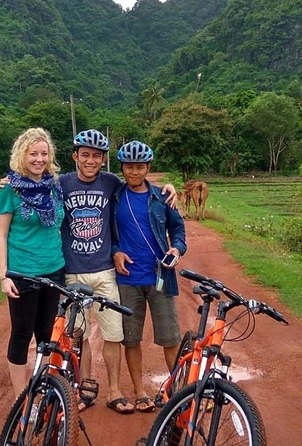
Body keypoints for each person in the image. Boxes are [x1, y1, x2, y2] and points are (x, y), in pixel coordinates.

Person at [0, 129, 177, 413]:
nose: (90, 161)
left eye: (96, 156)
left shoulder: (111, 183)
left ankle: (115, 391)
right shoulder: (60, 183)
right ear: (75, 156)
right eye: (85, 155)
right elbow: (28, 184)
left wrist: (169, 187)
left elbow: (138, 182)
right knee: (76, 336)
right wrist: (9, 181)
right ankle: (83, 388)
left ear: (103, 160)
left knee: (114, 334)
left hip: (105, 272)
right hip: (70, 273)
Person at [111, 140, 186, 413]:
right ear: (122, 168)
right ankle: (140, 392)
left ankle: (180, 391)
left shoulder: (162, 197)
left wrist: (177, 248)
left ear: (148, 168)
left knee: (170, 336)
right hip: (128, 279)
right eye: (129, 166)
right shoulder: (114, 198)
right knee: (131, 338)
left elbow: (178, 230)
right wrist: (115, 251)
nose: (134, 172)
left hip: (160, 276)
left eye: (139, 166)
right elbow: (106, 233)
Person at [0, 127, 65, 399]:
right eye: (33, 154)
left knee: (48, 336)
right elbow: (1, 235)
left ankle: (48, 390)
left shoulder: (55, 186)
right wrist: (4, 276)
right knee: (22, 334)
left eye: (44, 153)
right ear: (21, 156)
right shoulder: (9, 189)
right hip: (22, 272)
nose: (39, 159)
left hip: (54, 270)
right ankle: (21, 399)